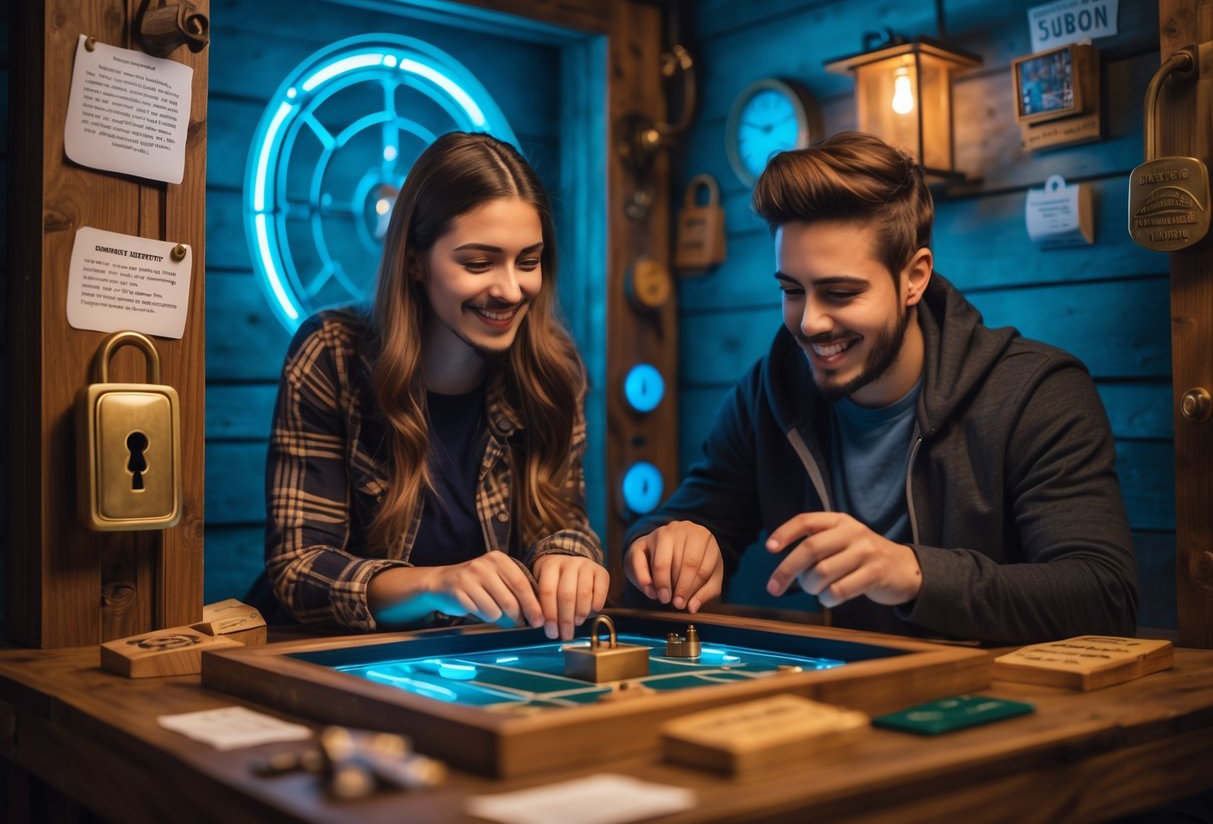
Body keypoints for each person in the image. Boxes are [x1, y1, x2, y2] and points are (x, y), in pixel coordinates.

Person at [623, 131, 1138, 645]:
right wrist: (665, 547)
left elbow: (1103, 596)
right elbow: (685, 519)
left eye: (841, 292)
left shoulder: (1035, 392)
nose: (810, 323)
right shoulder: (769, 391)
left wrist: (913, 574)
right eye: (792, 291)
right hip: (840, 701)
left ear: (914, 277)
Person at [264, 132, 608, 640]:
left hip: (488, 667)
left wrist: (569, 557)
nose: (512, 289)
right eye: (478, 263)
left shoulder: (555, 368)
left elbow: (565, 522)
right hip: (342, 668)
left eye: (528, 262)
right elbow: (298, 570)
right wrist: (437, 584)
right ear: (414, 262)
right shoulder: (330, 353)